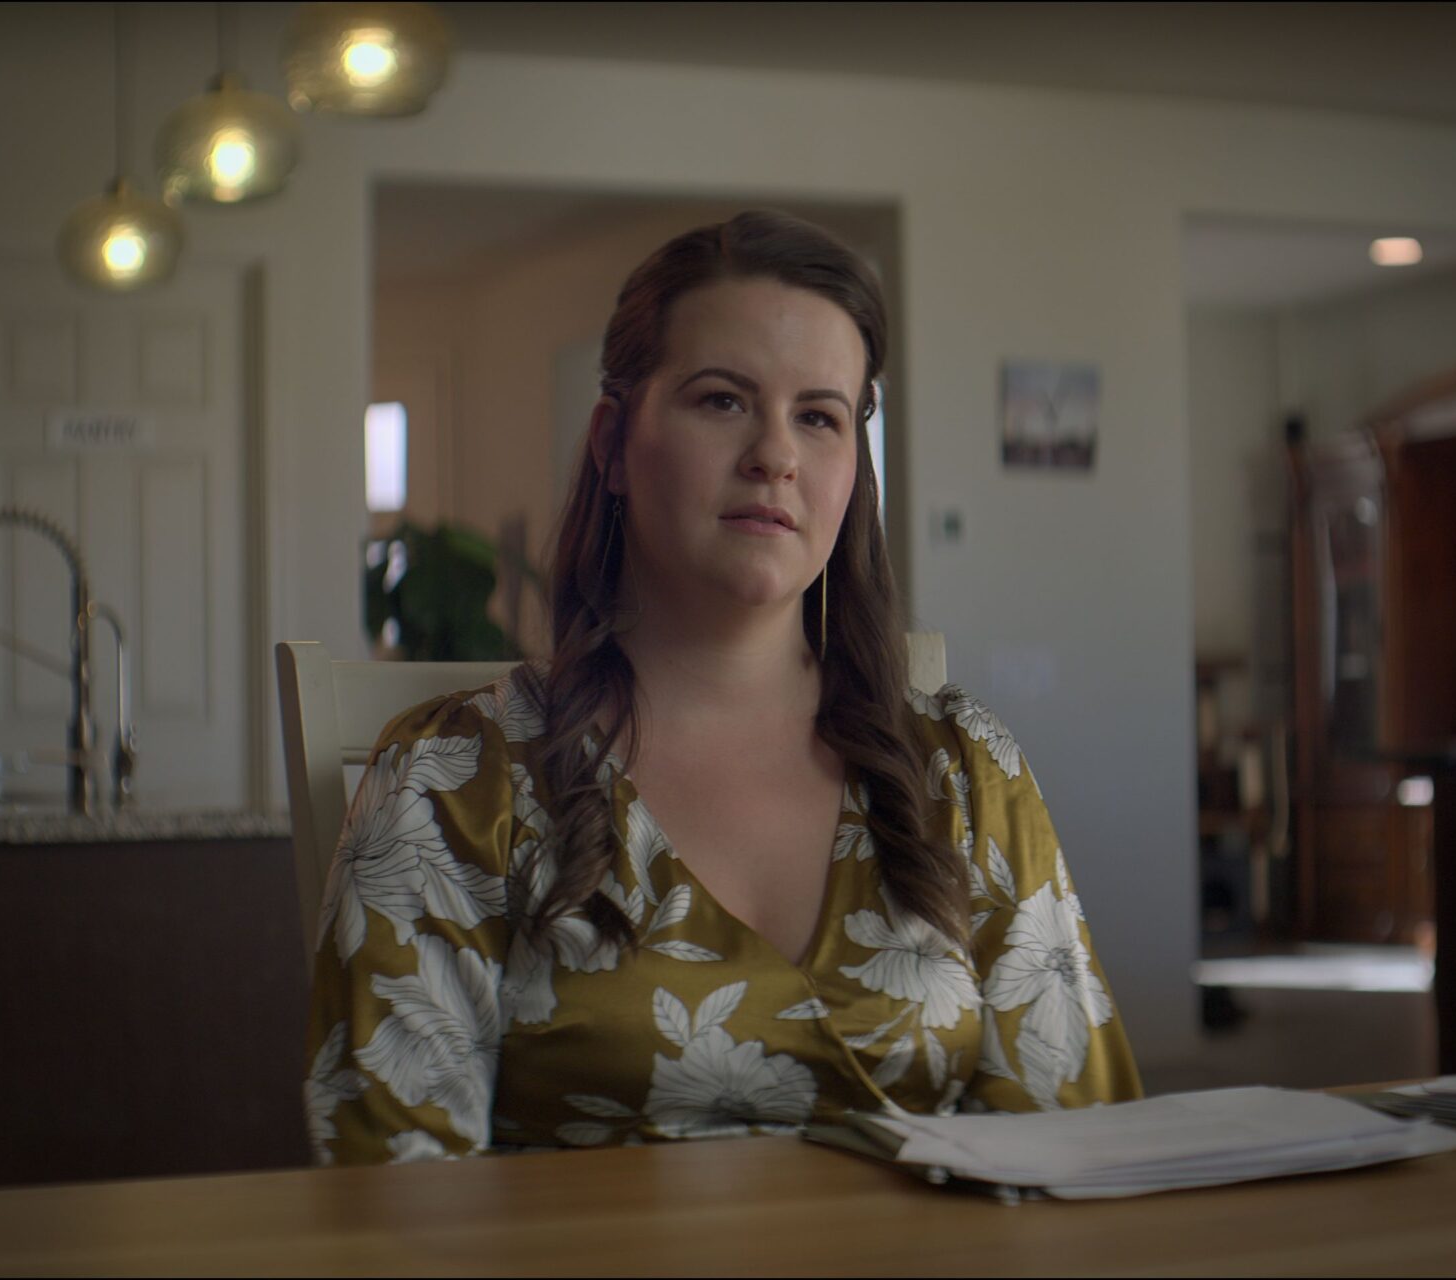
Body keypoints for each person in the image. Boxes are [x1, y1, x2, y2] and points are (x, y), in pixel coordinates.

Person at [305, 210, 1140, 1165]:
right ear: (613, 444)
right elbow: (395, 1190)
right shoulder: (452, 784)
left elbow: (1080, 1147)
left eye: (819, 417)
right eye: (722, 400)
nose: (775, 456)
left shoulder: (962, 770)